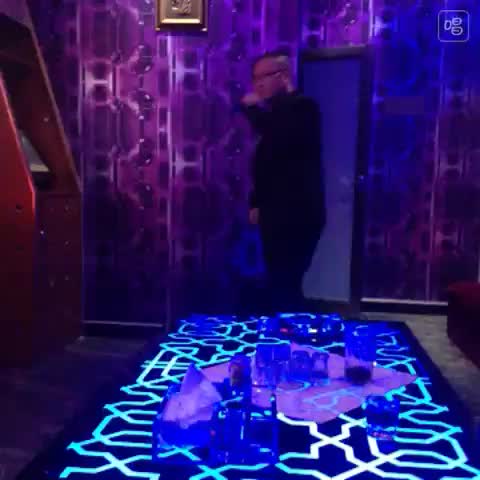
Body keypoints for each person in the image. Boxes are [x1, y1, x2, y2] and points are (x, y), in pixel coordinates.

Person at [239, 51, 326, 313]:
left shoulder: (303, 107)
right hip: (275, 213)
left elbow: (281, 138)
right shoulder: (277, 112)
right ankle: (284, 332)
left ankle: (294, 334)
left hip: (299, 213)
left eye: (264, 77)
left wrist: (252, 109)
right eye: (255, 78)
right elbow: (268, 165)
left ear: (283, 76)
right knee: (280, 282)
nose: (258, 85)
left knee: (286, 282)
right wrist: (256, 202)